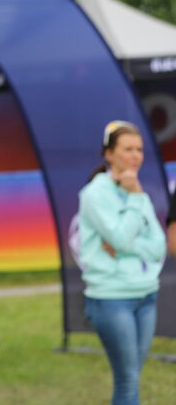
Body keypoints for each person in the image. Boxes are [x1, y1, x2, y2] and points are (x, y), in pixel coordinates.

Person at [78, 120, 166, 405]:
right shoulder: (95, 193)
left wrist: (127, 242)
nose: (135, 156)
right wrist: (134, 204)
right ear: (109, 153)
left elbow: (158, 246)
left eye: (139, 149)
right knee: (127, 380)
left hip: (146, 295)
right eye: (127, 149)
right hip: (112, 299)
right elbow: (120, 239)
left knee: (133, 377)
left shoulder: (138, 192)